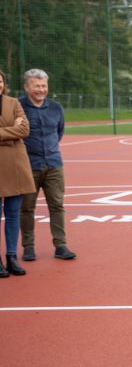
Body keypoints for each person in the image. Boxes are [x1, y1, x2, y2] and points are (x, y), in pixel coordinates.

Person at [19, 69, 76, 261]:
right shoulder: (18, 107)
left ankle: (60, 245)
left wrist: (49, 150)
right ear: (27, 87)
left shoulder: (55, 107)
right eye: (37, 85)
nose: (41, 89)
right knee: (27, 208)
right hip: (27, 166)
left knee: (57, 205)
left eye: (44, 86)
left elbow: (59, 132)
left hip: (53, 164)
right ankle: (28, 247)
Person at [0, 69, 35, 277]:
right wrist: (11, 130)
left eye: (0, 80)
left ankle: (12, 257)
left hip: (15, 166)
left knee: (13, 215)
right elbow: (16, 130)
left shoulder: (13, 103)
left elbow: (24, 130)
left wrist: (11, 130)